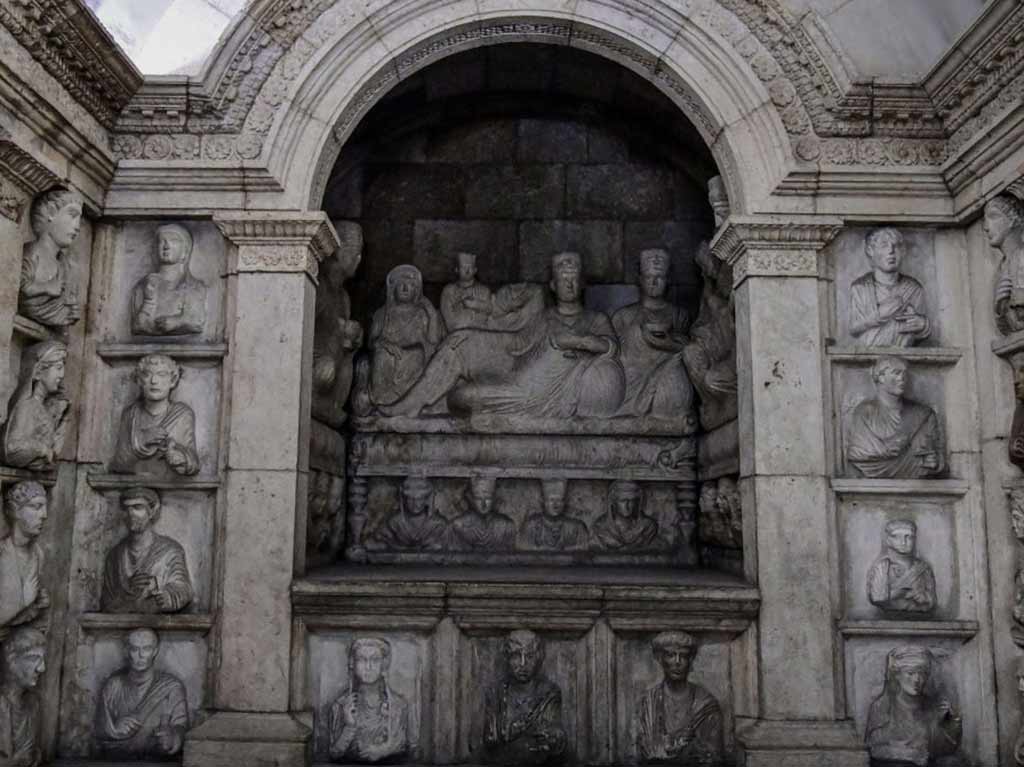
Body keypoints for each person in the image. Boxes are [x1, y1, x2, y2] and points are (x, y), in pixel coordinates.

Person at [382, 252, 624, 419]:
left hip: (535, 394)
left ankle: (446, 405)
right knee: (460, 345)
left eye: (573, 280)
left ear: (582, 284)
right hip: (520, 372)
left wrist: (582, 341)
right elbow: (517, 344)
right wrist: (470, 336)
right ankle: (411, 404)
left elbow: (612, 347)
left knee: (460, 397)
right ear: (553, 285)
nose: (569, 285)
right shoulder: (544, 317)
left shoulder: (595, 319)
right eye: (563, 280)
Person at [612, 249, 693, 419]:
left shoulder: (679, 315)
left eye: (659, 277)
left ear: (667, 280)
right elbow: (615, 355)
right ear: (640, 279)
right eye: (649, 277)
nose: (654, 282)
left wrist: (666, 343)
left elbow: (688, 349)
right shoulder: (623, 316)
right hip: (631, 378)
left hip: (667, 378)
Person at [845, 357, 945, 479]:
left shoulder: (923, 414)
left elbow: (935, 453)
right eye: (896, 373)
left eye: (904, 374)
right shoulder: (864, 413)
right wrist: (886, 451)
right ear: (881, 377)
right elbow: (857, 452)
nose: (902, 378)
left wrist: (935, 461)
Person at [94, 628, 188, 758]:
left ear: (155, 651)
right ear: (127, 651)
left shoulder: (172, 687)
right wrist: (114, 729)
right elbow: (98, 729)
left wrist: (173, 738)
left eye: (147, 649)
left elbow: (181, 726)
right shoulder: (113, 686)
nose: (141, 655)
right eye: (134, 649)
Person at [634, 631, 723, 765]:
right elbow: (641, 751)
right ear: (660, 659)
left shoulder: (706, 705)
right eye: (670, 655)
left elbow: (713, 756)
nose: (677, 662)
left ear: (690, 660)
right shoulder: (648, 702)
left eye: (683, 656)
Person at [864, 646, 963, 766]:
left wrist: (951, 724)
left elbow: (943, 749)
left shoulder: (934, 706)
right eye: (910, 673)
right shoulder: (882, 706)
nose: (917, 679)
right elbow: (874, 748)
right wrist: (908, 754)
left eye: (922, 674)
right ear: (897, 675)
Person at [101, 487, 193, 614]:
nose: (130, 514)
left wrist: (164, 595)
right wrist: (128, 592)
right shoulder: (114, 556)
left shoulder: (170, 551)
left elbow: (183, 589)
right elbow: (107, 604)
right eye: (126, 509)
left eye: (137, 507)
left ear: (152, 511)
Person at [484, 629, 566, 765]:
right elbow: (489, 740)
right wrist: (512, 731)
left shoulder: (549, 692)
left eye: (530, 656)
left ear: (539, 658)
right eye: (516, 656)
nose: (523, 664)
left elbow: (554, 734)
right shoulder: (496, 693)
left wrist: (553, 738)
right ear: (507, 658)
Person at [368, 265, 445, 406]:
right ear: (393, 289)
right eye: (400, 284)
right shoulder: (382, 314)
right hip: (388, 360)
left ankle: (411, 401)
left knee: (417, 356)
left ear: (416, 291)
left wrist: (432, 314)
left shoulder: (422, 314)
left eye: (410, 285)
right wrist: (386, 344)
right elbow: (372, 342)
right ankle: (382, 400)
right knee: (381, 355)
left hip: (415, 361)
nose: (404, 288)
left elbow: (434, 342)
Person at [110, 354, 199, 476]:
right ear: (139, 380)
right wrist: (142, 440)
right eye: (147, 375)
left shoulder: (183, 414)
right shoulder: (131, 414)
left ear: (173, 380)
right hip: (134, 484)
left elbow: (193, 463)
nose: (154, 381)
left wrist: (181, 459)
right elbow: (119, 464)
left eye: (162, 375)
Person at [312, 221, 364, 428]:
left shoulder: (343, 297)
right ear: (337, 250)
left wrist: (352, 337)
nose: (358, 259)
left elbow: (342, 341)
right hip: (317, 369)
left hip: (332, 375)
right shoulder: (319, 287)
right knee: (327, 369)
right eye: (354, 250)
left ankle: (327, 406)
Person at [327, 637, 411, 763]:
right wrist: (349, 727)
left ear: (384, 665)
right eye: (361, 659)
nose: (368, 666)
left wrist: (383, 750)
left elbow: (404, 747)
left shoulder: (398, 705)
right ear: (353, 664)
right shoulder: (341, 705)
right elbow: (334, 753)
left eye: (375, 660)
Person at [682, 243, 737, 431]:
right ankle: (712, 402)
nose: (707, 268)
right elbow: (703, 320)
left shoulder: (731, 276)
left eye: (707, 263)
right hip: (714, 343)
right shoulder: (710, 287)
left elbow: (726, 311)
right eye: (703, 266)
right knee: (690, 353)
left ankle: (730, 401)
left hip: (734, 348)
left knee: (712, 379)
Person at [849, 228, 930, 347]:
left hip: (903, 353)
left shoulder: (913, 288)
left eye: (896, 246)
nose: (891, 251)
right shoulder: (860, 287)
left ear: (903, 251)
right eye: (884, 245)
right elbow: (854, 328)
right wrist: (879, 314)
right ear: (870, 250)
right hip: (868, 353)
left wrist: (923, 325)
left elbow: (916, 334)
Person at [19, 188, 83, 328]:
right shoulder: (32, 252)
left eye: (79, 219)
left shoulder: (66, 265)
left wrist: (70, 309)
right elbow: (20, 287)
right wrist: (47, 287)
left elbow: (70, 303)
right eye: (72, 215)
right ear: (51, 212)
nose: (77, 226)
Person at [1, 340, 70, 470]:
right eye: (58, 368)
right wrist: (42, 450)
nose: (62, 375)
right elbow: (11, 448)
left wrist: (64, 417)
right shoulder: (27, 405)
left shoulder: (44, 408)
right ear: (38, 372)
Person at [130, 224, 207, 336]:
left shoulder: (194, 287)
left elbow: (196, 322)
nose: (166, 246)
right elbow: (138, 326)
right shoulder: (143, 286)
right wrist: (149, 301)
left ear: (185, 250)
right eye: (161, 241)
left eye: (174, 241)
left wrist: (178, 322)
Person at [0, 482, 49, 631]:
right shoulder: (2, 552)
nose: (44, 515)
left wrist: (36, 606)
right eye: (36, 507)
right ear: (15, 511)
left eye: (44, 507)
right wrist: (25, 601)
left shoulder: (37, 553)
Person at [867, 520, 937, 616]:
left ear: (914, 539)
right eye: (896, 537)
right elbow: (877, 598)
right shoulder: (882, 567)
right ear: (888, 540)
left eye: (909, 537)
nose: (903, 542)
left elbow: (932, 600)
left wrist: (924, 598)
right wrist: (899, 593)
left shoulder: (924, 568)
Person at [0, 627, 47, 767]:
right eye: (34, 658)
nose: (41, 668)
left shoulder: (33, 703)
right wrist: (16, 761)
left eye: (42, 660)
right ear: (12, 661)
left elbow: (33, 753)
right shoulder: (2, 704)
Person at [372, 477, 448, 551]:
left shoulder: (438, 524)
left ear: (426, 500)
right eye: (410, 499)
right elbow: (379, 539)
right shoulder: (394, 522)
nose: (415, 503)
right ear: (404, 501)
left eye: (419, 499)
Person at [984, 194, 1024, 335]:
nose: (986, 227)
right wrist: (1002, 307)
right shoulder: (1001, 268)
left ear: (1013, 219)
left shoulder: (1021, 257)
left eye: (993, 217)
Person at [521, 479, 588, 551]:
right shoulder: (532, 526)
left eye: (559, 500)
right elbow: (523, 549)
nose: (555, 505)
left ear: (565, 503)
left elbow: (583, 549)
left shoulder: (576, 528)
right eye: (551, 500)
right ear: (543, 502)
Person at [451, 476, 515, 550]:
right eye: (478, 499)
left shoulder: (506, 526)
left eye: (488, 498)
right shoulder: (458, 525)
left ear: (494, 498)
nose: (483, 504)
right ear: (471, 499)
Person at [593, 480, 659, 550]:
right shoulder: (601, 527)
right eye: (622, 501)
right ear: (613, 502)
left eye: (631, 501)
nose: (627, 506)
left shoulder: (648, 527)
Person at [441, 252, 493, 330]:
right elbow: (449, 320)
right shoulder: (449, 291)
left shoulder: (484, 291)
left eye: (470, 267)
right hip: (457, 333)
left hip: (480, 333)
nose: (467, 271)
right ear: (457, 270)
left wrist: (475, 304)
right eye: (463, 267)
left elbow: (489, 312)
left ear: (475, 270)